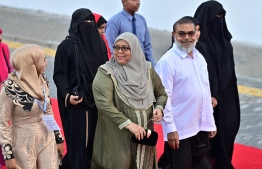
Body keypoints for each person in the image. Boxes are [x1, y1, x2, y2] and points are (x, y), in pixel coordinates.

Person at [91, 32, 167, 169]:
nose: (120, 52)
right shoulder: (106, 72)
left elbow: (161, 94)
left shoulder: (147, 70)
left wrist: (159, 108)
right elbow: (104, 104)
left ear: (135, 49)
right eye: (116, 47)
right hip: (118, 137)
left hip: (144, 139)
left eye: (125, 48)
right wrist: (128, 124)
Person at [155, 18, 217, 169]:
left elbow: (205, 91)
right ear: (174, 34)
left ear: (196, 34)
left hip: (200, 127)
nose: (187, 37)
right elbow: (163, 98)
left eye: (191, 33)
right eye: (181, 34)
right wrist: (170, 129)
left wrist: (210, 121)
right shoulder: (167, 62)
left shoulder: (200, 58)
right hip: (180, 131)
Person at [53, 8, 108, 169]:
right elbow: (59, 75)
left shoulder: (99, 44)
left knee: (94, 142)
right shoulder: (66, 46)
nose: (89, 26)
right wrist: (67, 96)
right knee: (78, 144)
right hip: (77, 102)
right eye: (86, 23)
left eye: (92, 23)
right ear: (76, 24)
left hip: (97, 101)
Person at [0, 44, 64, 169]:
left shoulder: (42, 80)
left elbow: (48, 110)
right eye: (43, 60)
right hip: (22, 143)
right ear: (31, 63)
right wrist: (8, 155)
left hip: (46, 139)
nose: (46, 64)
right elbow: (2, 123)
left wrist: (58, 138)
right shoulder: (9, 87)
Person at [194, 1, 241, 168]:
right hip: (207, 97)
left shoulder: (225, 41)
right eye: (216, 16)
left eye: (222, 16)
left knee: (227, 130)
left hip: (227, 96)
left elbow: (231, 72)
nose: (219, 20)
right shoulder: (197, 44)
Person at [105, 0, 156, 67]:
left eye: (138, 0)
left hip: (141, 67)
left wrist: (153, 68)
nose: (138, 3)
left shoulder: (141, 20)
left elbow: (147, 47)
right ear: (124, 2)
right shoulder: (114, 21)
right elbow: (111, 48)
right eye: (134, 0)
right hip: (123, 67)